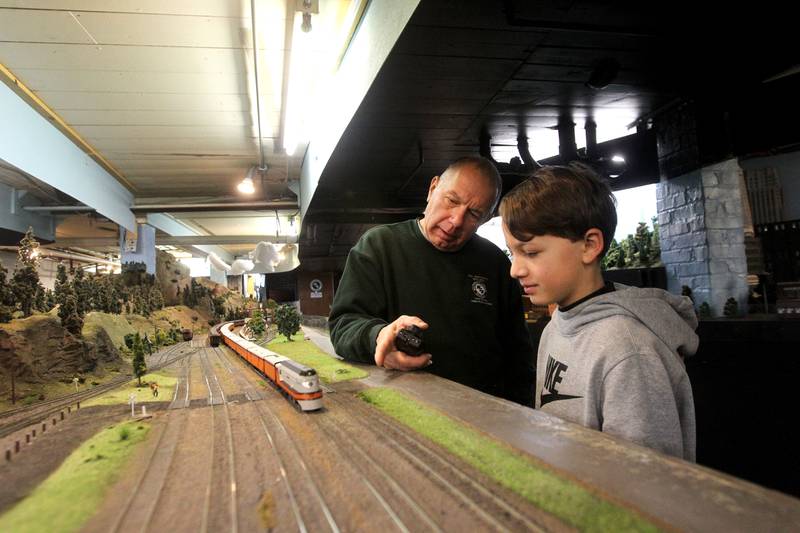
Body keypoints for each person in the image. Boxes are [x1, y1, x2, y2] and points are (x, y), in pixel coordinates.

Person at [499, 163, 698, 460]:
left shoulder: (629, 349)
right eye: (512, 252)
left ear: (590, 245)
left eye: (531, 252)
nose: (515, 269)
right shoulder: (555, 326)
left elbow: (647, 481)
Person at [329, 156, 535, 406]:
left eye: (473, 213)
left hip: (486, 415)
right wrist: (378, 335)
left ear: (486, 218)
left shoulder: (496, 264)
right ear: (432, 188)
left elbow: (518, 355)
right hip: (404, 408)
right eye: (452, 200)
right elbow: (343, 324)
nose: (457, 220)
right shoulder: (378, 246)